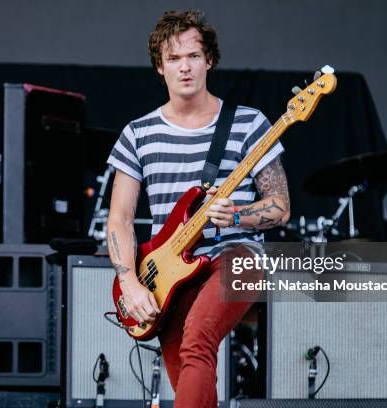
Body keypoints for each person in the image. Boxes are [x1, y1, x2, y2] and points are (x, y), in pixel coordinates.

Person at [106, 9, 290, 407]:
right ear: (160, 67)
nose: (185, 67)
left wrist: (238, 215)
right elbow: (119, 218)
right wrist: (129, 281)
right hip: (169, 272)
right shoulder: (138, 134)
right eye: (174, 58)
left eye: (193, 56)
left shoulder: (249, 124)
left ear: (209, 60)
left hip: (237, 257)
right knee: (192, 379)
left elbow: (280, 206)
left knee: (198, 339)